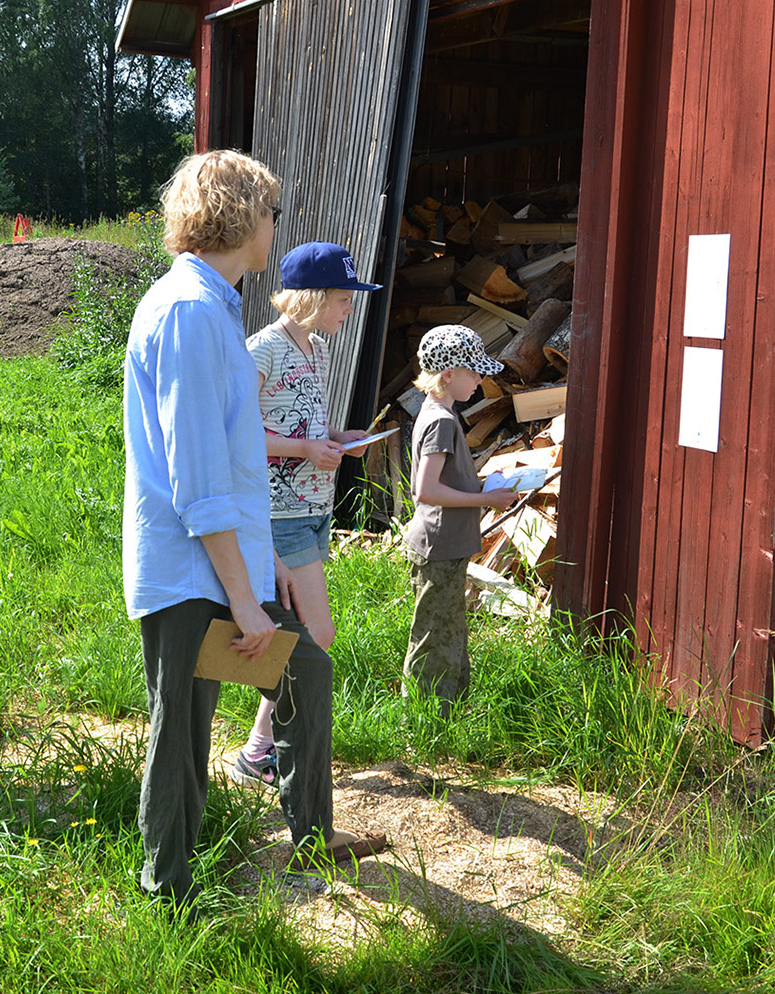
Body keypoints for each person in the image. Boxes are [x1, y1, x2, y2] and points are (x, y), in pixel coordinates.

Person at [123, 151, 387, 908]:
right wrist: (244, 601)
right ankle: (167, 893)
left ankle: (313, 837)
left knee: (307, 672)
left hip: (228, 560)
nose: (276, 226)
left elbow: (235, 466)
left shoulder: (214, 305)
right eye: (272, 212)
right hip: (189, 570)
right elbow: (200, 477)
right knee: (181, 731)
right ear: (241, 216)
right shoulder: (189, 312)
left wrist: (261, 558)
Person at [229, 241, 382, 791]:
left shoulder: (316, 349)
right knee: (316, 635)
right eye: (343, 300)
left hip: (314, 508)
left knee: (304, 637)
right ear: (315, 297)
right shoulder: (261, 350)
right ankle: (263, 750)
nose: (348, 311)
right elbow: (236, 433)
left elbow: (303, 426)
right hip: (277, 514)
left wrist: (340, 440)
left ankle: (259, 750)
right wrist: (305, 452)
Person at [402, 325, 518, 717]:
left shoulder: (443, 413)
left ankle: (448, 713)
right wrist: (485, 498)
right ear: (448, 375)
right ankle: (422, 718)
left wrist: (484, 484)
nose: (480, 379)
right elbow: (426, 490)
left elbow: (445, 480)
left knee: (448, 629)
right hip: (438, 545)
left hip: (447, 544)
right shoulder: (441, 421)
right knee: (434, 633)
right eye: (474, 372)